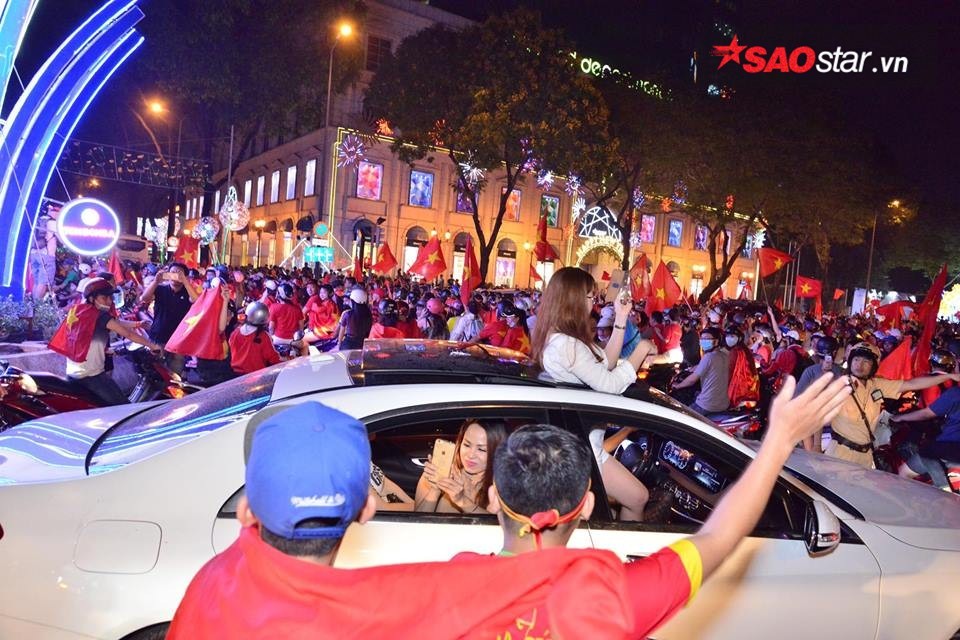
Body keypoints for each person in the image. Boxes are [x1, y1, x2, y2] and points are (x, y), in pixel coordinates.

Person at [462, 373, 851, 639]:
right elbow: (720, 536)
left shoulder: (451, 578)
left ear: (494, 497)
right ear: (587, 505)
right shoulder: (613, 597)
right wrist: (780, 440)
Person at [531, 266, 656, 520]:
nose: (594, 302)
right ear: (574, 299)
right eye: (590, 296)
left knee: (635, 498)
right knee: (636, 498)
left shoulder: (561, 338)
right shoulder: (565, 344)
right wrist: (642, 349)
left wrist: (621, 318)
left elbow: (605, 363)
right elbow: (610, 384)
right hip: (580, 447)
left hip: (586, 442)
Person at [825, 342, 960, 468]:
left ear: (874, 365)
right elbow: (817, 414)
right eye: (856, 360)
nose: (859, 365)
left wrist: (948, 377)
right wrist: (815, 447)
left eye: (866, 361)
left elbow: (912, 384)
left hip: (866, 455)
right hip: (840, 453)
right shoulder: (840, 385)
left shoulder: (877, 385)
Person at [54, 278, 161, 405]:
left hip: (73, 372)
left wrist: (137, 324)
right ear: (92, 298)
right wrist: (152, 345)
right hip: (91, 375)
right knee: (124, 407)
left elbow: (112, 324)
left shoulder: (78, 311)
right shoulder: (99, 315)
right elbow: (127, 334)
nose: (109, 301)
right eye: (104, 298)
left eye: (111, 297)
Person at [415, 420, 507, 513]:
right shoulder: (438, 472)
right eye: (467, 445)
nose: (471, 455)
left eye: (481, 449)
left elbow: (500, 522)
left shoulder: (502, 485)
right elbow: (416, 521)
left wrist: (462, 501)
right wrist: (435, 490)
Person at [139, 263, 198, 376]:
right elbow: (144, 298)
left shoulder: (188, 292)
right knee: (156, 372)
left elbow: (196, 301)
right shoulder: (160, 289)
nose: (175, 275)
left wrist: (185, 282)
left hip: (178, 341)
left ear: (185, 276)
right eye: (172, 272)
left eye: (179, 273)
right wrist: (155, 281)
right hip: (158, 337)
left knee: (175, 375)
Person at [795, 334, 845, 452]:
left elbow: (797, 397)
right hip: (835, 426)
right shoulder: (842, 372)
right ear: (835, 352)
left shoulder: (810, 371)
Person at [673, 326, 731, 416]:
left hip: (707, 405)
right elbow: (708, 366)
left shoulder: (708, 357)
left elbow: (692, 380)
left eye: (707, 338)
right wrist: (693, 368)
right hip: (723, 403)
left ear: (716, 341)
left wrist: (677, 386)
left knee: (682, 416)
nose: (703, 341)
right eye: (702, 338)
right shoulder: (724, 356)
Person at [229, 302, 282, 376]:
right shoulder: (264, 336)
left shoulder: (235, 333)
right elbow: (273, 358)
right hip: (256, 377)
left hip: (236, 376)